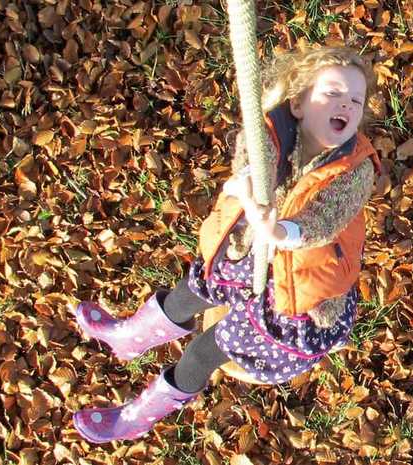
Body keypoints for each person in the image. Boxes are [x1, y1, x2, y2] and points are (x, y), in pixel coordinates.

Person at [71, 46, 381, 443]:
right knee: (191, 291)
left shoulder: (355, 170)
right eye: (332, 93)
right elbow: (253, 157)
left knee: (201, 352)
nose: (346, 105)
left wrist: (284, 232)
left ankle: (138, 417)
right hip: (251, 255)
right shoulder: (272, 130)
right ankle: (129, 338)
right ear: (299, 104)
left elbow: (326, 219)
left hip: (293, 299)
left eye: (355, 100)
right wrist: (250, 182)